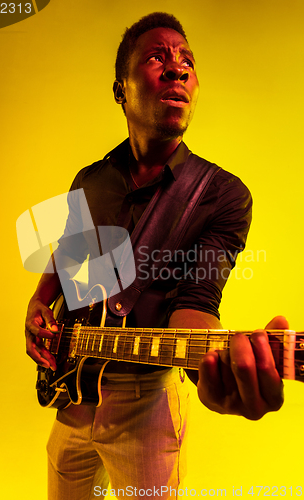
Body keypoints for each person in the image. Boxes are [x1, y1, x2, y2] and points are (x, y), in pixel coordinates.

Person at [25, 12, 287, 500]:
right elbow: (67, 254)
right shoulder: (90, 179)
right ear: (120, 89)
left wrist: (214, 370)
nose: (178, 68)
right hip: (72, 396)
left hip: (147, 409)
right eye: (157, 57)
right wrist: (38, 303)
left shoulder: (222, 195)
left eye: (187, 60)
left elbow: (196, 302)